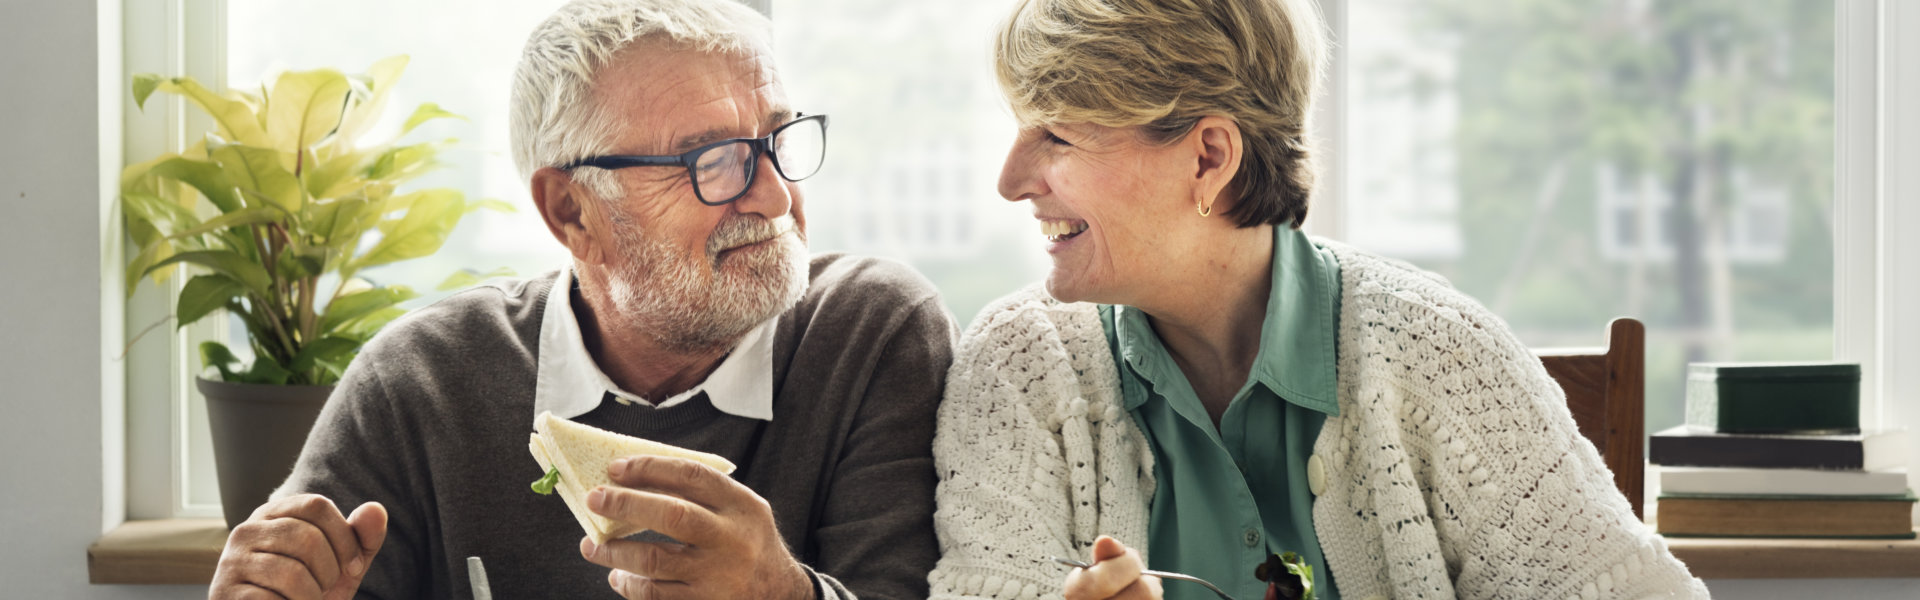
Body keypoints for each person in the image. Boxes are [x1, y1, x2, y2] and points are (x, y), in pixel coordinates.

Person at [927, 0, 1706, 598]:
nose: (1011, 180)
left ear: (1208, 156)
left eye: (1057, 137)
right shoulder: (1017, 367)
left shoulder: (1441, 351)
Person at [207, 0, 953, 598]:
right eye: (712, 161)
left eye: (777, 139)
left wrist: (783, 595)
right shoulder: (421, 383)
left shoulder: (873, 334)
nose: (775, 193)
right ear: (571, 211)